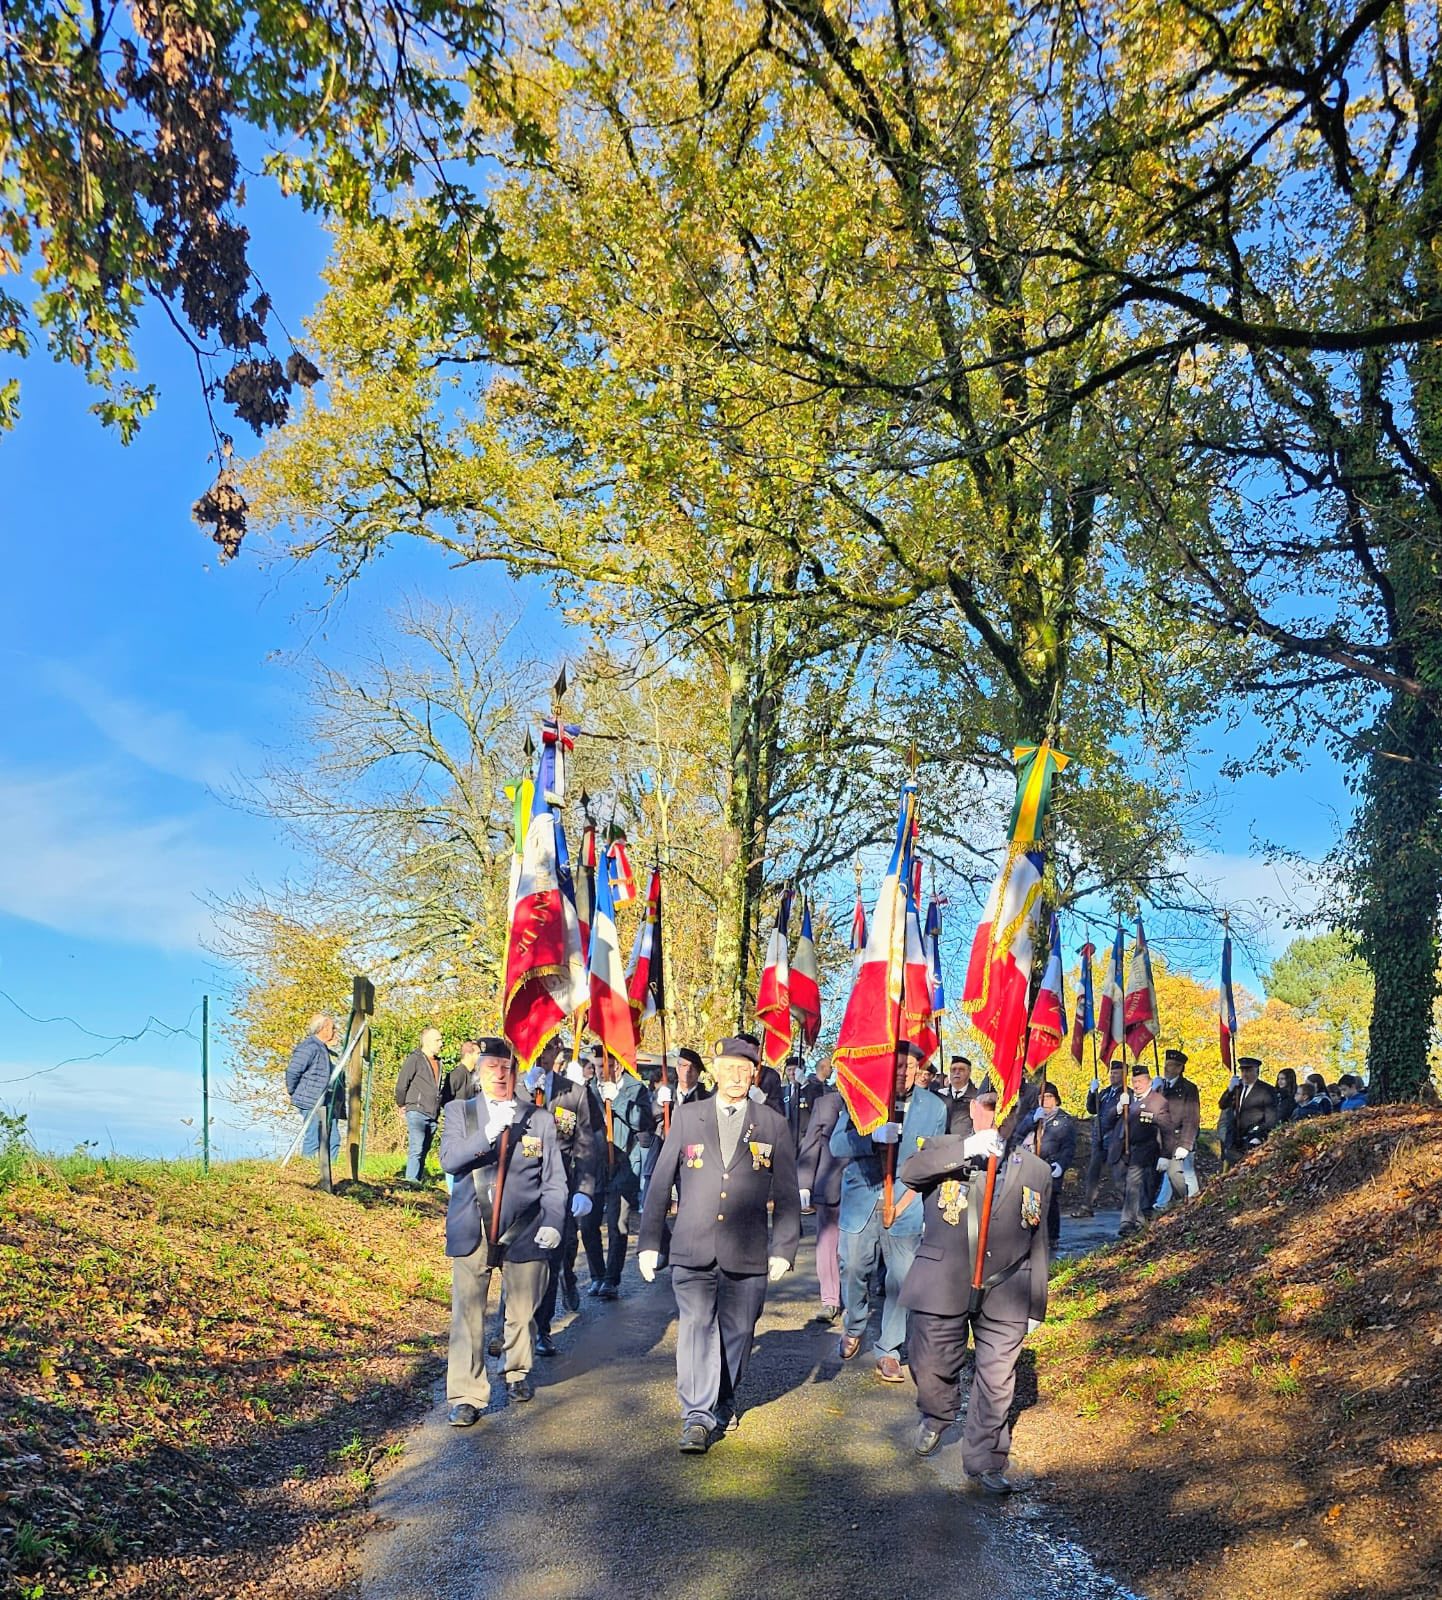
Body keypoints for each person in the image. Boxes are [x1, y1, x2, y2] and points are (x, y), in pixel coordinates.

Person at [637, 1036, 801, 1453]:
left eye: (744, 1070)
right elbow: (659, 1183)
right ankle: (696, 1414)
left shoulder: (772, 1123)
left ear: (754, 1075)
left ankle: (722, 1397)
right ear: (715, 1070)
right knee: (695, 1327)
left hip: (747, 1250)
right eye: (728, 1068)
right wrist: (649, 1241)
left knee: (739, 1332)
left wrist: (783, 1248)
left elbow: (785, 1191)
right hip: (693, 1245)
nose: (735, 1077)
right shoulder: (689, 1118)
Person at [900, 1088, 1052, 1492]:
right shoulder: (944, 1148)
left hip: (1007, 1289)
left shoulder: (1035, 1169)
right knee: (931, 1365)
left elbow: (1039, 1239)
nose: (996, 1115)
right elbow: (910, 1173)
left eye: (1006, 1109)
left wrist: (1036, 1303)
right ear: (973, 1109)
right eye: (989, 1106)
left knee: (997, 1379)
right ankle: (936, 1413)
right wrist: (967, 1148)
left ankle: (986, 1460)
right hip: (943, 1281)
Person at [439, 1037, 567, 1426]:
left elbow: (555, 1180)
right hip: (472, 1225)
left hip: (525, 1226)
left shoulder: (539, 1118)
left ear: (516, 1072)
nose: (499, 1074)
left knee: (522, 1309)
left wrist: (553, 1221)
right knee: (467, 1314)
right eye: (491, 1067)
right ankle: (467, 1393)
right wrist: (489, 1133)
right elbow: (450, 1159)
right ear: (479, 1071)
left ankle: (516, 1370)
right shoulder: (460, 1111)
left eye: (507, 1067)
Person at [831, 1042, 950, 1382]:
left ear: (919, 1070)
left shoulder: (934, 1108)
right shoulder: (863, 1097)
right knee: (853, 1266)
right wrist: (871, 1140)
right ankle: (854, 1324)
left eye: (910, 1067)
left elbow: (932, 1159)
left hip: (906, 1201)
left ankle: (890, 1349)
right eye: (897, 1066)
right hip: (862, 1197)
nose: (904, 1073)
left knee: (901, 1277)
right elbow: (837, 1145)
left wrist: (910, 1197)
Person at [526, 1036, 601, 1350]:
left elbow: (585, 1145)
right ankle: (513, 1330)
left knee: (553, 1257)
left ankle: (541, 1329)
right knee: (520, 1263)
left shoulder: (575, 1095)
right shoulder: (515, 1090)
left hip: (560, 1187)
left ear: (558, 1053)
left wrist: (584, 1188)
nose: (545, 1055)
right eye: (540, 1049)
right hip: (521, 1191)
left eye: (551, 1049)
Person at [582, 1046, 656, 1299]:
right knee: (588, 1223)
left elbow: (643, 1122)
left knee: (617, 1223)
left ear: (619, 1066)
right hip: (595, 1165)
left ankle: (611, 1280)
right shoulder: (589, 1088)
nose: (600, 1072)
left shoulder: (636, 1089)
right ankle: (596, 1274)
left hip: (624, 1164)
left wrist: (618, 1099)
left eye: (605, 1067)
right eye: (598, 1066)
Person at [796, 1053, 845, 1325]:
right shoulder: (826, 1103)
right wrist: (804, 1183)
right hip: (829, 1183)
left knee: (855, 1252)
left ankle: (853, 1294)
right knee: (827, 1246)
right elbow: (811, 1142)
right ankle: (830, 1299)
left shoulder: (874, 1104)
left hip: (864, 1187)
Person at [1104, 1063, 1166, 1235]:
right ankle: (1139, 1217)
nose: (1137, 1084)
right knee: (1121, 1184)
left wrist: (1166, 1153)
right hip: (1120, 1148)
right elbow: (1106, 1121)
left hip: (1142, 1149)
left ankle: (1128, 1222)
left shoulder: (1155, 1100)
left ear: (1149, 1082)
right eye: (1134, 1081)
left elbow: (1164, 1126)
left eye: (1140, 1081)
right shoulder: (1127, 1097)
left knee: (1133, 1185)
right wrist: (1118, 1108)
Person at [285, 1012, 343, 1191]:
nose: (335, 1031)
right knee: (313, 1136)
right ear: (323, 1028)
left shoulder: (325, 1049)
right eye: (332, 1028)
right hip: (311, 1100)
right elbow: (292, 1072)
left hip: (327, 1102)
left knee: (333, 1138)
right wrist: (295, 1092)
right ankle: (307, 1172)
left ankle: (331, 1172)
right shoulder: (309, 1047)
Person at [1020, 1082, 1076, 1247]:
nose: (1045, 1101)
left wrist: (1061, 1164)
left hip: (1051, 1165)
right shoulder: (1032, 1115)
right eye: (1041, 1097)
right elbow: (1019, 1133)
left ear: (1056, 1099)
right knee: (1029, 1198)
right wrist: (1032, 1121)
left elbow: (1069, 1146)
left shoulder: (1064, 1120)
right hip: (1030, 1164)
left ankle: (1052, 1237)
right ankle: (1030, 1234)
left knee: (1050, 1202)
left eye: (1049, 1097)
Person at [394, 1024, 448, 1184]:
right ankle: (410, 1183)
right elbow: (402, 1083)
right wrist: (401, 1104)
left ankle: (417, 1180)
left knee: (424, 1150)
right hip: (416, 1110)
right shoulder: (415, 1059)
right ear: (427, 1041)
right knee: (416, 1149)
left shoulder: (439, 1062)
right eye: (438, 1040)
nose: (441, 1043)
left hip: (432, 1113)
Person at [1072, 1060, 1125, 1217]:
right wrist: (1092, 1092)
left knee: (1118, 1174)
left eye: (1116, 1073)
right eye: (1112, 1073)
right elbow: (1092, 1109)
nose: (1112, 1076)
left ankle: (1128, 1207)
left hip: (1115, 1137)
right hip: (1099, 1137)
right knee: (1093, 1172)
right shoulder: (1105, 1092)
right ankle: (1087, 1205)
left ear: (1123, 1075)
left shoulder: (1126, 1093)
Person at [1154, 1048, 1201, 1208]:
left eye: (1172, 1065)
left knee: (1185, 1173)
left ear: (1180, 1068)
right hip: (1164, 1138)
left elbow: (1191, 1117)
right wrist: (1153, 1092)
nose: (1167, 1068)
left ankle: (1193, 1202)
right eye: (1166, 1064)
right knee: (1171, 1173)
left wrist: (1186, 1144)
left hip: (1180, 1137)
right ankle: (1163, 1203)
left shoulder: (1188, 1088)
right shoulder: (1161, 1087)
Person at [1219, 1055, 1280, 1156]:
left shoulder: (1266, 1090)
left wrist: (1258, 1136)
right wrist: (1230, 1090)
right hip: (1233, 1139)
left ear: (1256, 1071)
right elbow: (1223, 1105)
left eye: (1248, 1071)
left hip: (1252, 1140)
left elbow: (1271, 1119)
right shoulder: (1237, 1087)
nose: (1245, 1074)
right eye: (1242, 1071)